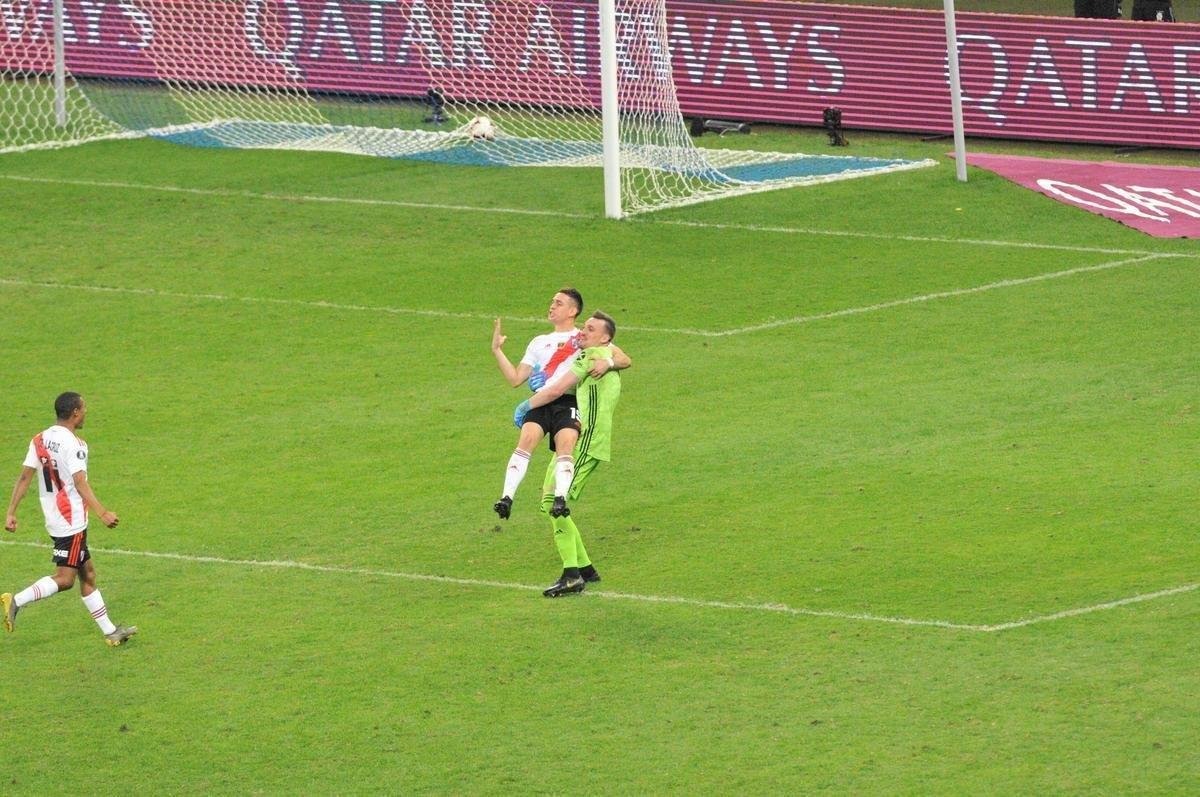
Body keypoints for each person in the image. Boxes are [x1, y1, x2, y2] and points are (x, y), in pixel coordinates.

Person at [2, 392, 137, 646]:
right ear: (75, 412)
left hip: (54, 515)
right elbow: (79, 481)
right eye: (84, 408)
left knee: (88, 574)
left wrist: (11, 511)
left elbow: (24, 477)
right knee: (65, 579)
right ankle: (16, 601)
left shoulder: (40, 439)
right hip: (70, 520)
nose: (86, 412)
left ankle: (110, 632)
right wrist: (103, 512)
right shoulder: (74, 445)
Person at [490, 288, 629, 520]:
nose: (552, 306)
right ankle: (506, 498)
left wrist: (608, 362)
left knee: (566, 445)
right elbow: (516, 378)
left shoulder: (584, 337)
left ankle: (560, 499)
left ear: (573, 311)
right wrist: (496, 350)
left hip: (568, 401)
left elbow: (624, 358)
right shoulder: (538, 342)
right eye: (552, 302)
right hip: (542, 400)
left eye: (559, 303)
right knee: (525, 441)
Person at [513, 311, 623, 597]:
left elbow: (557, 390)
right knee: (551, 500)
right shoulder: (603, 354)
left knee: (553, 502)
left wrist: (525, 407)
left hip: (587, 440)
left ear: (605, 337)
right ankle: (585, 568)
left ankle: (572, 575)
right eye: (584, 327)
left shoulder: (591, 357)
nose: (583, 332)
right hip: (580, 439)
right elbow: (625, 358)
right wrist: (611, 360)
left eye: (590, 328)